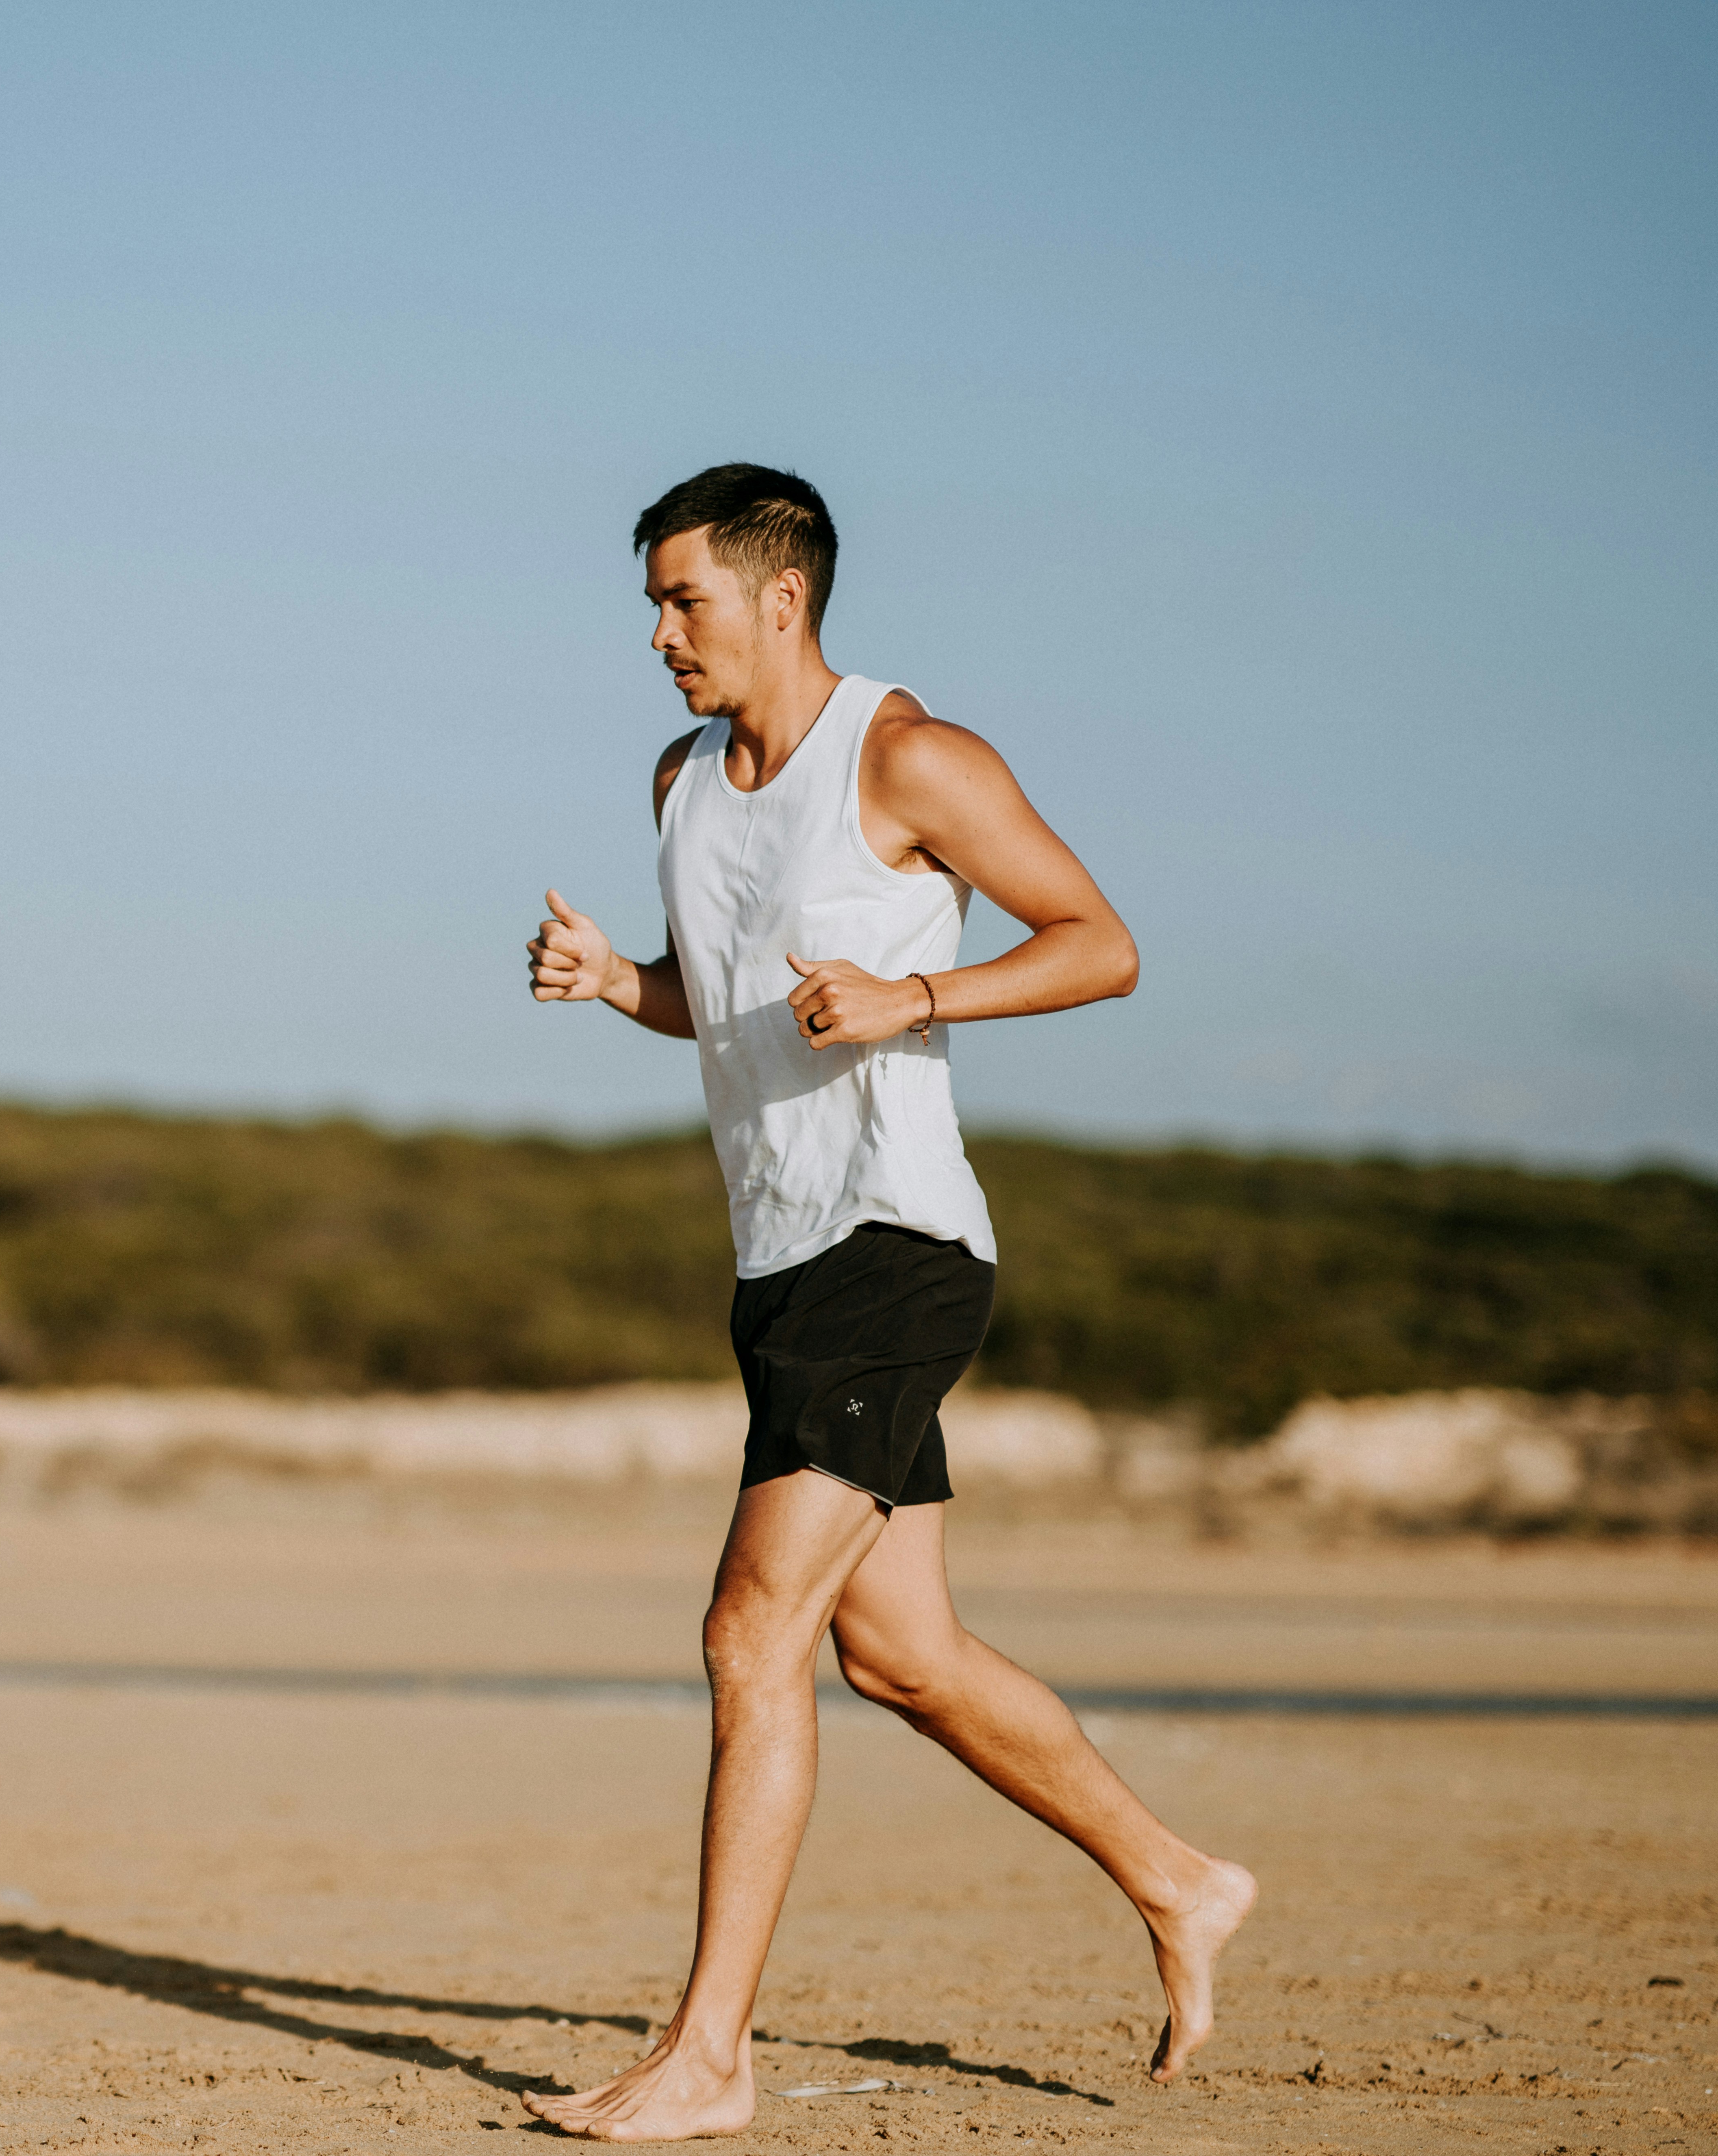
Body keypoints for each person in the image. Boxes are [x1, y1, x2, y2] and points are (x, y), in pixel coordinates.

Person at [516, 467, 1252, 2140]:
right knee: (900, 1655)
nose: (658, 636)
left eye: (683, 601)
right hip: (778, 1260)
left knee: (748, 1634)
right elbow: (721, 1008)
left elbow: (1100, 944)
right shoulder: (680, 781)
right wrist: (615, 983)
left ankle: (710, 2056)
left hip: (894, 1246)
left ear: (780, 597)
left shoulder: (908, 758)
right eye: (651, 604)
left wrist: (915, 992)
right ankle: (1180, 1879)